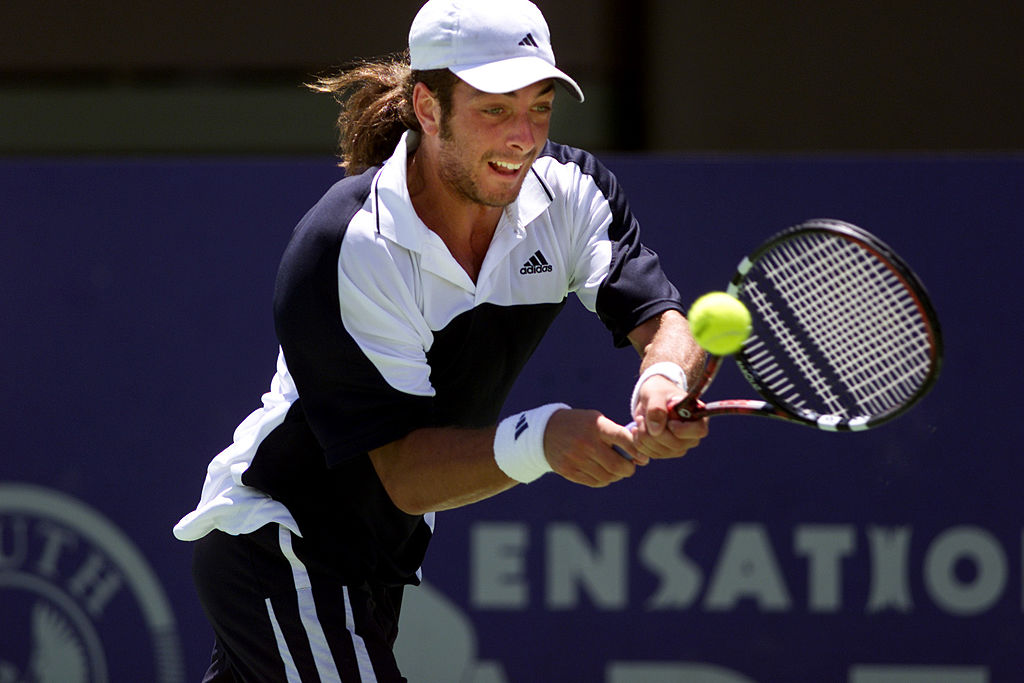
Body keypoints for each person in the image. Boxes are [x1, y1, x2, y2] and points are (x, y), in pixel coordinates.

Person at [173, 0, 709, 680]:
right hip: (281, 539)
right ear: (429, 108)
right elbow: (403, 471)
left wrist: (663, 378)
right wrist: (541, 438)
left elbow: (664, 320)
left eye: (539, 107)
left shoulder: (572, 194)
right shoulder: (353, 243)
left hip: (376, 564)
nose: (524, 136)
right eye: (495, 109)